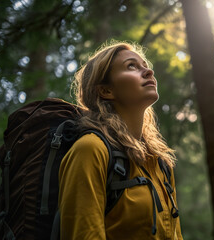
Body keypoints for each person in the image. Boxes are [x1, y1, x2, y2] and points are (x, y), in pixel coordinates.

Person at [58, 41, 183, 239]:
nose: (148, 71)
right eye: (131, 66)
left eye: (145, 65)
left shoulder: (160, 161)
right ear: (106, 91)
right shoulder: (90, 149)